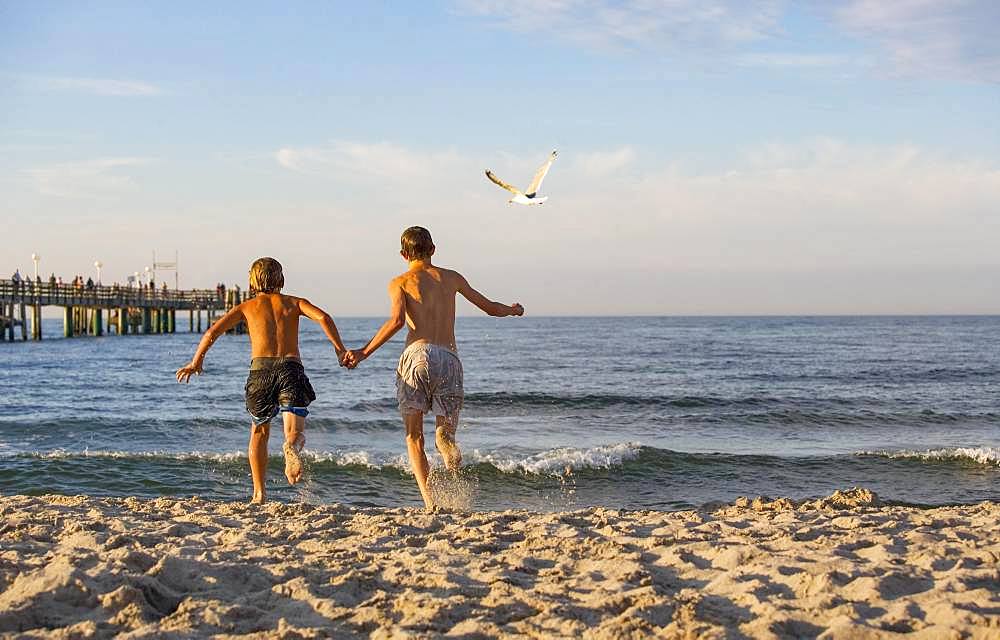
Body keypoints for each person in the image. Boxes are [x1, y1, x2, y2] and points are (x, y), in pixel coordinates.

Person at [344, 226, 524, 509]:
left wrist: (363, 352)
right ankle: (446, 440)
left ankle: (430, 502)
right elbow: (489, 307)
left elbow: (396, 322)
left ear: (403, 254)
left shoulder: (400, 282)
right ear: (433, 250)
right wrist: (513, 309)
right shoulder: (451, 278)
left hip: (416, 356)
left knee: (414, 435)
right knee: (445, 431)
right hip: (449, 358)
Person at [176, 257, 349, 503]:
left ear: (251, 281)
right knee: (294, 432)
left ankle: (259, 493)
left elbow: (212, 331)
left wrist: (196, 362)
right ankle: (292, 448)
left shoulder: (247, 307)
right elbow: (324, 318)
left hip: (260, 372)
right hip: (290, 368)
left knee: (259, 431)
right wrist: (339, 349)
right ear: (282, 280)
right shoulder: (295, 303)